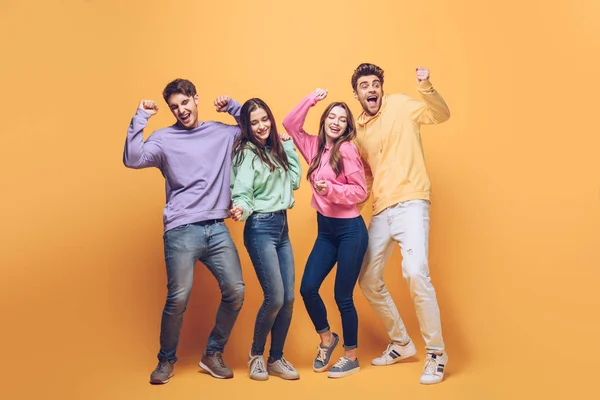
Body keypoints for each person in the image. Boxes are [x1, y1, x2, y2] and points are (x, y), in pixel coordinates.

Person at [123, 78, 245, 384]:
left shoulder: (222, 132)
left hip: (217, 227)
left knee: (235, 291)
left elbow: (257, 128)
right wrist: (141, 118)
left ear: (196, 99)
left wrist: (232, 107)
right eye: (175, 107)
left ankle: (212, 354)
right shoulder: (164, 139)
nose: (181, 111)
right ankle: (166, 360)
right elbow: (132, 158)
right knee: (178, 297)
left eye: (185, 103)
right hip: (181, 228)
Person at [350, 63, 451, 384]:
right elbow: (365, 175)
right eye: (364, 85)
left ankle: (436, 353)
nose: (371, 89)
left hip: (411, 200)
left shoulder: (402, 105)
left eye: (375, 83)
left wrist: (426, 85)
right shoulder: (358, 131)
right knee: (367, 279)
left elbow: (440, 115)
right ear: (357, 94)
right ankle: (402, 344)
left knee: (415, 270)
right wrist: (345, 207)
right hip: (381, 209)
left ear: (382, 87)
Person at [282, 89, 368, 378]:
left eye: (342, 119)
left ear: (347, 127)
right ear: (324, 120)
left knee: (342, 295)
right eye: (332, 116)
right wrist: (309, 100)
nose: (336, 122)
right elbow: (290, 124)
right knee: (307, 288)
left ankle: (351, 357)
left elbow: (361, 191)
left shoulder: (347, 150)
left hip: (350, 232)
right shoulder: (314, 147)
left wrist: (331, 189)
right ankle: (327, 339)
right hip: (326, 232)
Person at [229, 98, 302, 381]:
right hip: (260, 226)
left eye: (264, 119)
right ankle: (256, 355)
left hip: (282, 226)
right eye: (254, 122)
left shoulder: (276, 150)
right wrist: (241, 208)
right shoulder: (247, 153)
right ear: (247, 126)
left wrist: (290, 146)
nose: (261, 126)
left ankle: (276, 358)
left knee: (289, 298)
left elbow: (294, 181)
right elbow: (243, 191)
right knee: (275, 298)